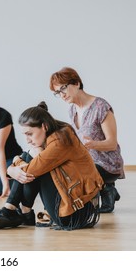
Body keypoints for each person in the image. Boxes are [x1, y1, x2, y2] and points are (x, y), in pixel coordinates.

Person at [0, 102, 104, 231]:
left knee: (32, 160)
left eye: (29, 134)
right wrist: (13, 168)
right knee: (32, 157)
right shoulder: (57, 132)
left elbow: (29, 171)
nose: (27, 140)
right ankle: (20, 211)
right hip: (73, 204)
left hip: (74, 213)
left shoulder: (60, 140)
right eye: (25, 135)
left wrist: (13, 166)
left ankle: (15, 210)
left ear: (44, 126)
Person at [49, 67, 124, 213]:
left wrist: (92, 144)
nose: (62, 95)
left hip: (107, 163)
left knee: (76, 172)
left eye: (63, 88)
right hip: (86, 161)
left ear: (76, 83)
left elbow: (112, 143)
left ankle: (105, 188)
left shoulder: (101, 106)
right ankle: (105, 189)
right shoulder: (72, 109)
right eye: (57, 93)